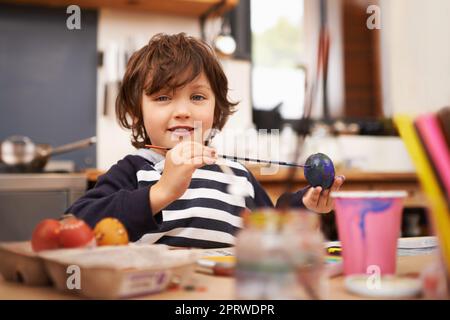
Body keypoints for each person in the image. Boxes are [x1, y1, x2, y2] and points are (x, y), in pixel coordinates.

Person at [66, 33, 345, 248]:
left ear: (216, 108)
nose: (183, 111)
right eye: (162, 97)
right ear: (136, 114)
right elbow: (74, 225)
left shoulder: (238, 177)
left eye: (197, 97)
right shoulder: (134, 171)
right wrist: (160, 193)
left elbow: (270, 231)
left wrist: (305, 205)